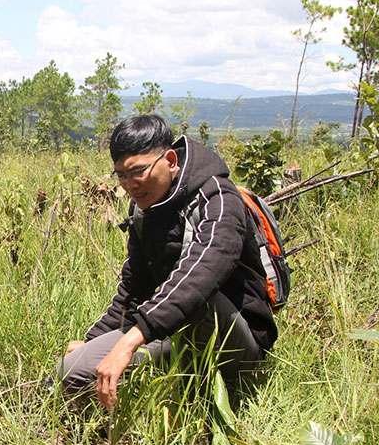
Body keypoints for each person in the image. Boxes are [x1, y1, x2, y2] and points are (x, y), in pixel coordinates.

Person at [57, 115, 277, 410]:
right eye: (121, 175)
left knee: (200, 300)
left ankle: (196, 405)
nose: (130, 185)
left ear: (171, 160)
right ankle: (167, 387)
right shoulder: (144, 207)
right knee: (70, 370)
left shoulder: (219, 200)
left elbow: (202, 275)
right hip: (173, 331)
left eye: (138, 171)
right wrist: (94, 341)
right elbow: (135, 287)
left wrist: (130, 341)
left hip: (235, 343)